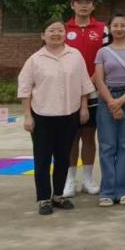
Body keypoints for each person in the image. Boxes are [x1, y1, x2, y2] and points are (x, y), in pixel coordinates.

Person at [18, 20, 94, 215]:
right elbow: (25, 89)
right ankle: (44, 198)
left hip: (69, 114)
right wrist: (27, 116)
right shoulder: (35, 59)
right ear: (43, 35)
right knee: (42, 158)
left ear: (65, 34)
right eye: (51, 30)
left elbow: (84, 83)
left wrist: (84, 108)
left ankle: (58, 195)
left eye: (60, 30)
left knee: (63, 157)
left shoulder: (75, 55)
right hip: (42, 116)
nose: (56, 34)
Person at [93, 14, 125, 207]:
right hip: (107, 98)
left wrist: (122, 101)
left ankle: (124, 190)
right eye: (116, 25)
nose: (119, 29)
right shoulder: (102, 52)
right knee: (107, 146)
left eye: (123, 25)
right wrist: (112, 102)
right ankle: (107, 190)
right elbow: (99, 80)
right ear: (110, 28)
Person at [63, 0, 107, 198]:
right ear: (72, 5)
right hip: (68, 93)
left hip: (95, 91)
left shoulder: (103, 29)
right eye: (79, 2)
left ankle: (88, 179)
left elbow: (107, 57)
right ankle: (70, 179)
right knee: (71, 137)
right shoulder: (63, 29)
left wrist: (91, 81)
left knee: (89, 135)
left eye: (87, 2)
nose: (83, 5)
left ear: (93, 6)